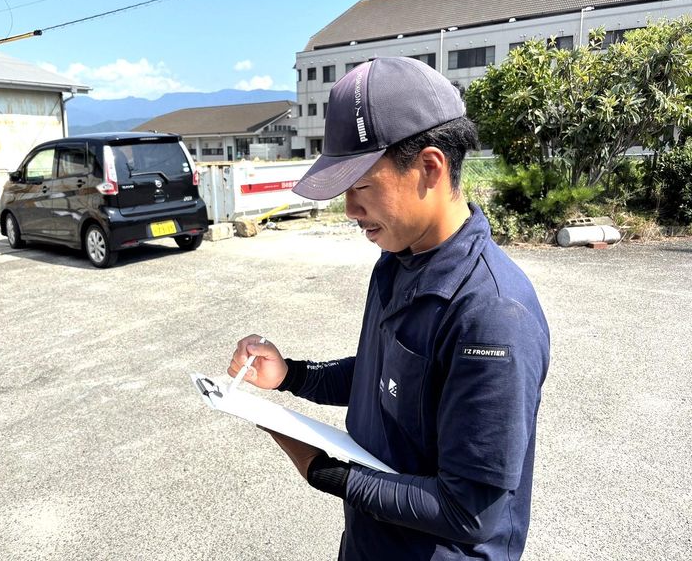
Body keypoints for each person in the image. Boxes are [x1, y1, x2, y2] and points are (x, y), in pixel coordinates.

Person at [229, 57, 550, 560]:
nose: (350, 210)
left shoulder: (492, 315)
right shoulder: (397, 261)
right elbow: (386, 377)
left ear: (429, 168)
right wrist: (291, 375)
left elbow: (469, 512)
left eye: (361, 187)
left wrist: (321, 470)